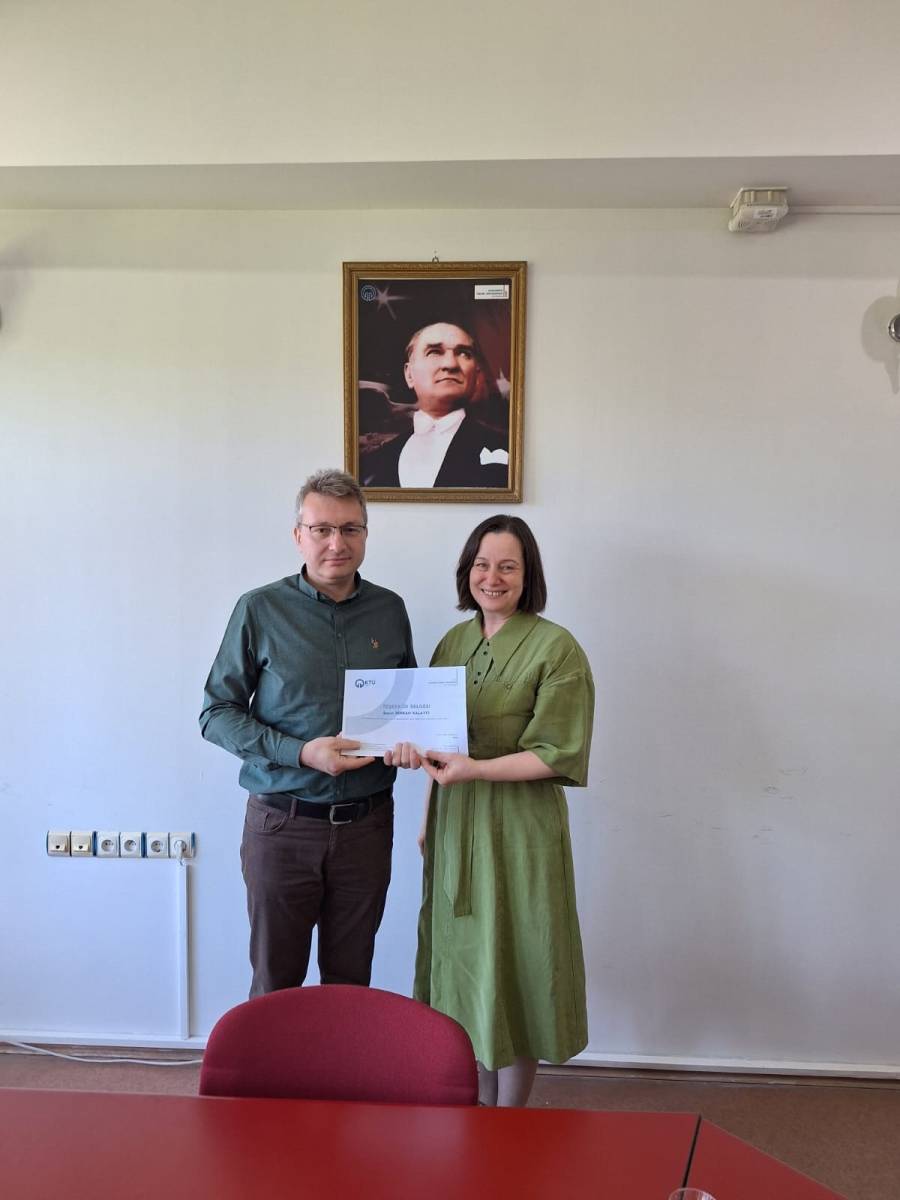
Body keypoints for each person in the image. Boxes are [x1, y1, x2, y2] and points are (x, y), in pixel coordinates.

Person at [199, 468, 416, 997]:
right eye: (322, 529)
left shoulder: (390, 610)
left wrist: (413, 743)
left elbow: (408, 707)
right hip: (283, 827)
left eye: (350, 529)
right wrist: (301, 753)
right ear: (299, 535)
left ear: (365, 534)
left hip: (367, 828)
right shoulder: (259, 609)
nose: (337, 543)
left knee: (350, 984)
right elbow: (216, 713)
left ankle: (340, 1059)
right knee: (276, 986)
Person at [412, 515, 594, 1106]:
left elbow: (557, 752)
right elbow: (437, 741)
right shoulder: (452, 643)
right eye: (482, 564)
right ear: (467, 571)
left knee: (517, 958)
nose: (492, 577)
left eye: (508, 566)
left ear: (527, 574)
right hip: (456, 819)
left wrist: (477, 770)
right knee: (465, 959)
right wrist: (428, 812)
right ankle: (479, 1110)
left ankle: (510, 1117)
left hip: (520, 827)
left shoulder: (556, 648)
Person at [360, 321, 509, 489]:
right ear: (409, 374)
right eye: (434, 352)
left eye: (464, 353)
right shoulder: (375, 461)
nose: (450, 364)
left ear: (476, 374)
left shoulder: (506, 447)